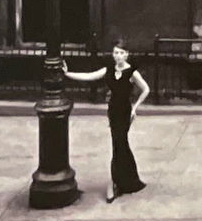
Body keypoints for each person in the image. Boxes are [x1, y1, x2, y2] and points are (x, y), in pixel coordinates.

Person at [61, 45, 148, 201]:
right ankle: (125, 179)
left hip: (124, 112)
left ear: (127, 55)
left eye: (121, 53)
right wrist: (67, 74)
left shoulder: (131, 72)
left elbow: (145, 89)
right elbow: (89, 76)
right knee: (119, 143)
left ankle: (117, 181)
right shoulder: (108, 69)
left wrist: (135, 108)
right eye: (116, 52)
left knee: (120, 142)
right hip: (113, 110)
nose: (118, 56)